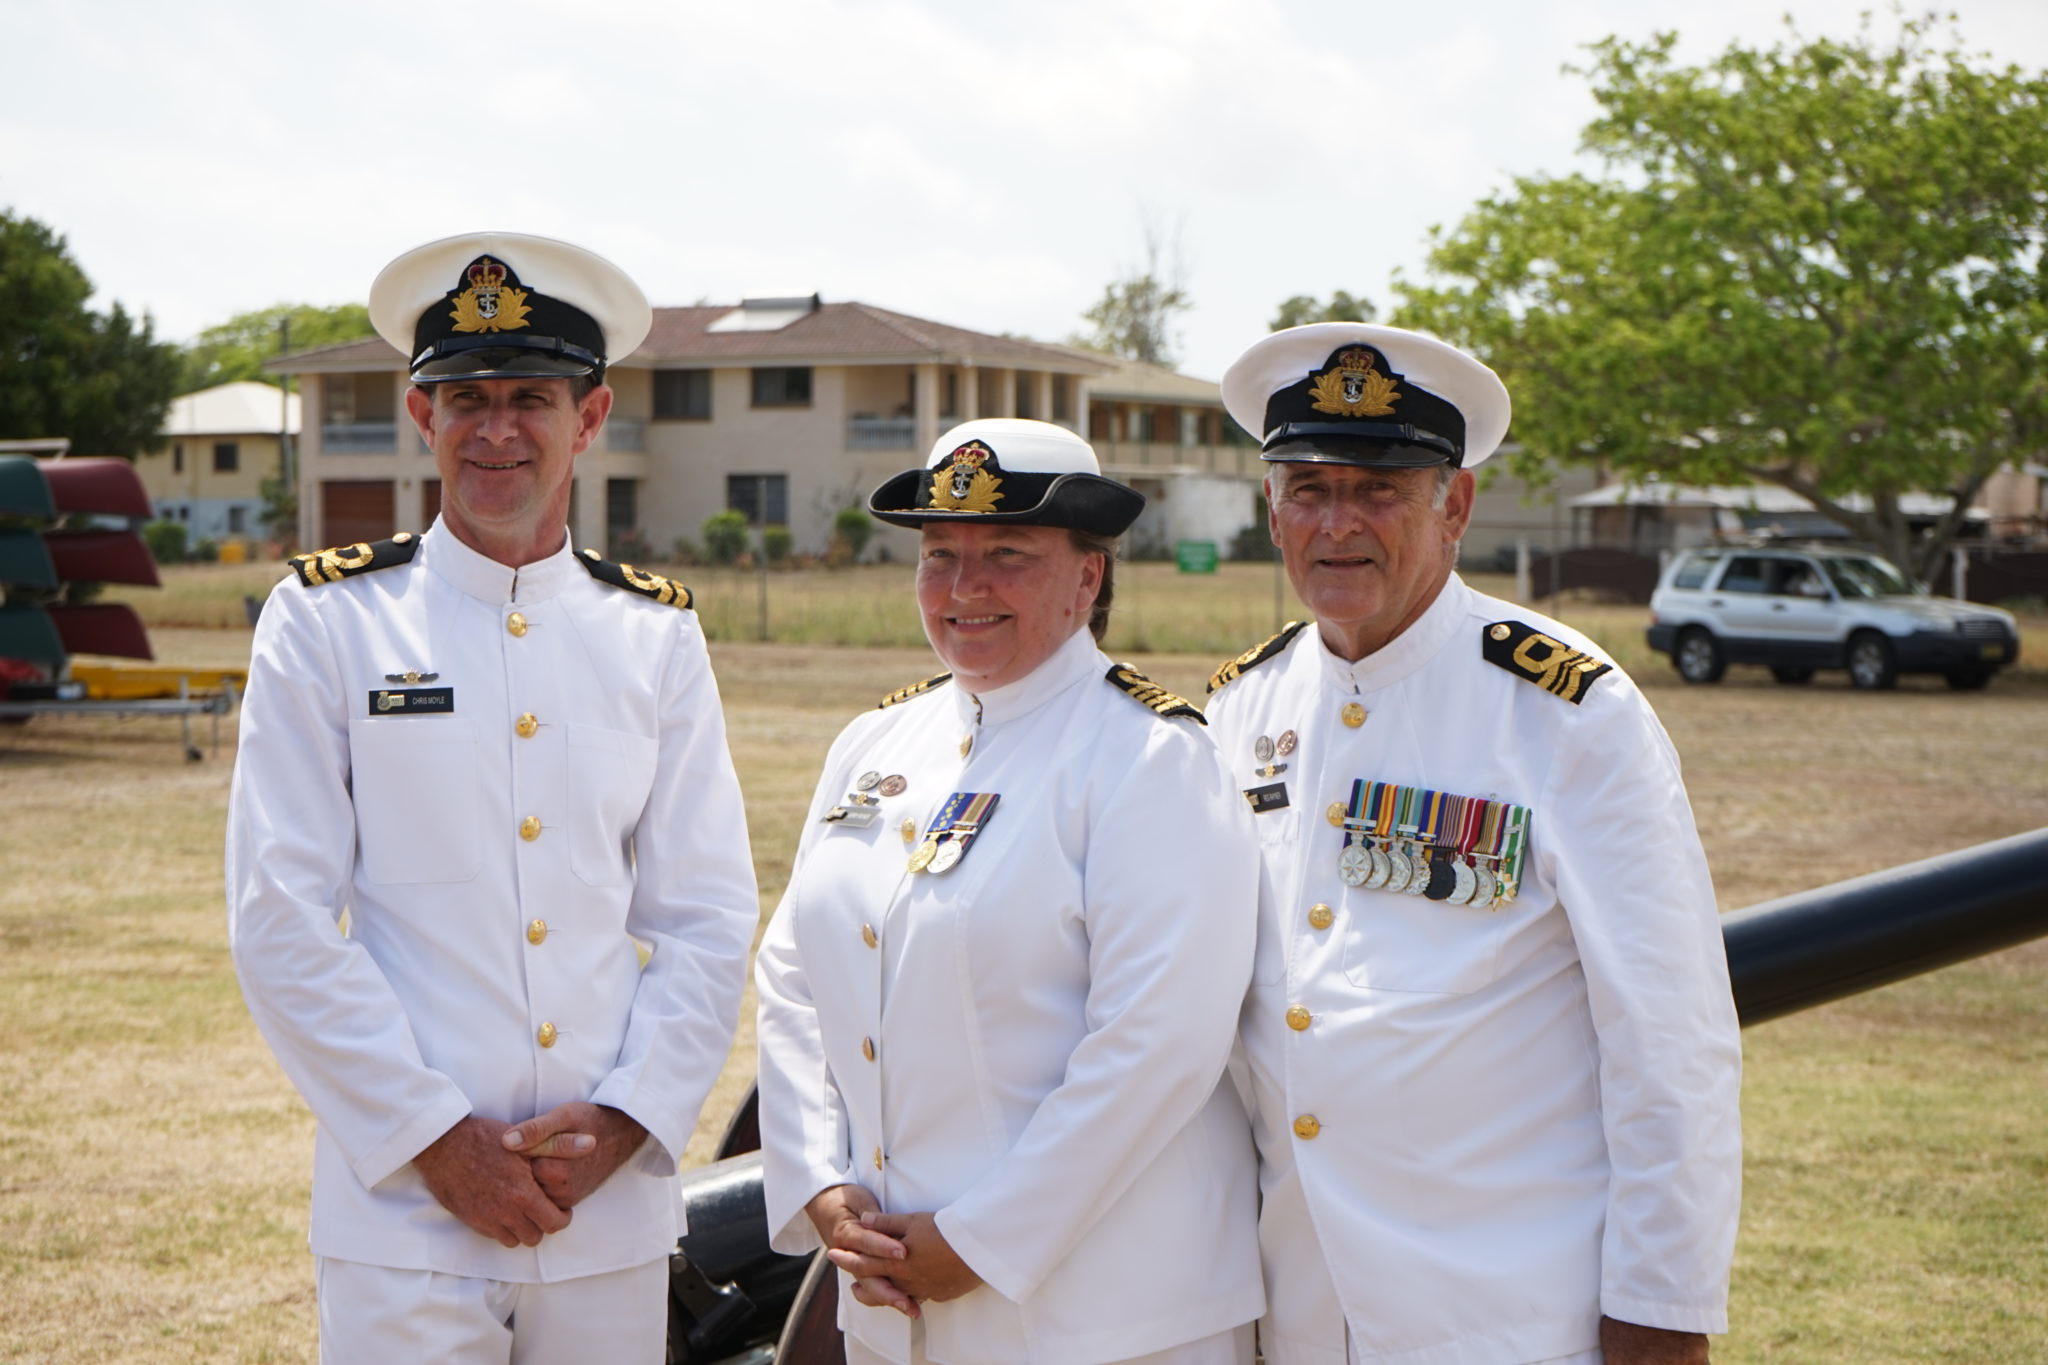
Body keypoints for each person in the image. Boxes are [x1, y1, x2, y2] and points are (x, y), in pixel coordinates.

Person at [226, 231, 759, 1363]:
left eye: (531, 396)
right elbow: (278, 914)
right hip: (405, 1209)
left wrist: (626, 1120)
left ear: (592, 415)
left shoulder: (652, 632)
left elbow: (705, 915)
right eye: (464, 397)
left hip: (601, 1207)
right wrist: (434, 1139)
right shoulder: (329, 622)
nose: (497, 428)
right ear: (422, 419)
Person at [1206, 324, 1742, 1365]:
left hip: (1500, 1313)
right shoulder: (1238, 708)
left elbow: (1667, 1041)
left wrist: (1662, 1317)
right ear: (1270, 508)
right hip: (1296, 1307)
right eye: (1307, 487)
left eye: (1379, 491)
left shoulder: (1564, 709)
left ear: (1453, 505)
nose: (1336, 523)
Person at [754, 418, 1264, 1365]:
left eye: (1008, 554)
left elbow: (1159, 1042)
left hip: (1104, 1316)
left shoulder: (1151, 756)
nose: (963, 587)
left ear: (1088, 577)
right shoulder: (875, 743)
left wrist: (983, 1239)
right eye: (939, 553)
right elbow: (793, 976)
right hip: (894, 1289)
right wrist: (823, 1183)